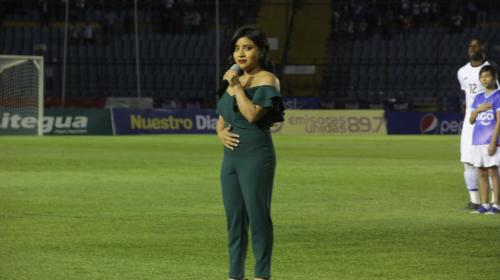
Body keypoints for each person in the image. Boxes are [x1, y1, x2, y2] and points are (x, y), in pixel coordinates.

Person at [215, 25, 284, 280]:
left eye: (247, 47)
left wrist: (237, 87)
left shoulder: (267, 79)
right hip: (230, 158)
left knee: (257, 216)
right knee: (234, 219)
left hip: (256, 155)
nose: (240, 54)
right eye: (236, 48)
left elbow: (253, 115)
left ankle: (261, 274)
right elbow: (222, 116)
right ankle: (235, 275)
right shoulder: (233, 80)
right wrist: (220, 132)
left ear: (261, 50)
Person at [457, 38, 496, 209]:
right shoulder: (462, 72)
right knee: (467, 161)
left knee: (491, 163)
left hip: (487, 123)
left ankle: (495, 201)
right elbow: (467, 97)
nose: (472, 48)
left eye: (476, 45)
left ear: (483, 48)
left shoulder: (490, 69)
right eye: (470, 45)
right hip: (469, 122)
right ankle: (474, 201)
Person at [469, 65, 500, 214]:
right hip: (478, 140)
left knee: (493, 172)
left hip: (491, 140)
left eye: (487, 76)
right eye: (482, 77)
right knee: (481, 172)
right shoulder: (478, 97)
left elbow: (499, 121)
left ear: (494, 77)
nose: (484, 79)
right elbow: (471, 120)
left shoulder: (498, 96)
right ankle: (484, 204)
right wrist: (478, 110)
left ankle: (496, 205)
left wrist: (494, 141)